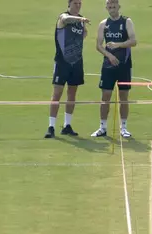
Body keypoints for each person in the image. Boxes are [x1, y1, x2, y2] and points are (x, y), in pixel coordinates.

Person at [91, 0, 137, 138]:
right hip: (108, 66)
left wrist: (118, 45)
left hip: (124, 65)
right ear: (106, 7)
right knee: (105, 97)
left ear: (118, 6)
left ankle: (123, 128)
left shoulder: (126, 21)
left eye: (114, 6)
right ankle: (102, 127)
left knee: (124, 97)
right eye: (109, 7)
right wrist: (109, 55)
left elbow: (133, 41)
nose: (112, 9)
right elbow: (98, 45)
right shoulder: (103, 24)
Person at [45, 0, 90, 139]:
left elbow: (84, 34)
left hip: (76, 63)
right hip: (62, 62)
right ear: (69, 5)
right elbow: (66, 19)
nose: (78, 5)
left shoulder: (80, 21)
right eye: (75, 3)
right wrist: (80, 19)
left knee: (72, 93)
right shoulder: (63, 17)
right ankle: (51, 126)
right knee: (57, 94)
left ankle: (67, 125)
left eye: (79, 3)